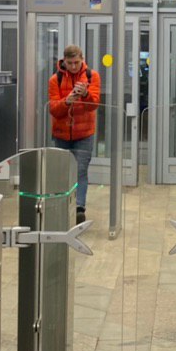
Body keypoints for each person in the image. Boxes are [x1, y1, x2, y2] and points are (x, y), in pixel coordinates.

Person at [48, 45, 101, 223]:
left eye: (76, 62)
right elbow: (54, 109)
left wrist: (85, 94)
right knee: (62, 172)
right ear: (64, 61)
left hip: (84, 134)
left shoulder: (92, 76)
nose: (73, 66)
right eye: (70, 63)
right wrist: (67, 101)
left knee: (80, 171)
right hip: (61, 134)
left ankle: (79, 208)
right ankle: (63, 206)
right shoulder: (55, 79)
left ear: (82, 60)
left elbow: (94, 105)